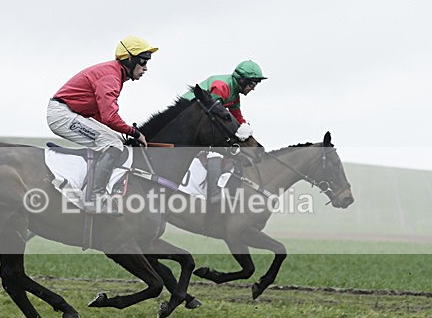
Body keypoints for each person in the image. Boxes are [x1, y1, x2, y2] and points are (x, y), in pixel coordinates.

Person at [47, 36, 157, 213]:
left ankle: (98, 189)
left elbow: (101, 115)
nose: (145, 68)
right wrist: (135, 133)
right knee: (113, 145)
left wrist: (124, 133)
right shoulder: (110, 77)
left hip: (71, 112)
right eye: (143, 61)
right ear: (129, 59)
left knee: (116, 142)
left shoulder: (115, 74)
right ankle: (94, 198)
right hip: (62, 115)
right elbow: (109, 117)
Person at [181, 60, 267, 202]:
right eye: (252, 84)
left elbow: (237, 117)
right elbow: (214, 118)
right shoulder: (221, 87)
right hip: (186, 118)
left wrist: (247, 133)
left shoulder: (234, 94)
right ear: (242, 80)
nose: (253, 88)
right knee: (215, 152)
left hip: (198, 121)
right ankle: (214, 194)